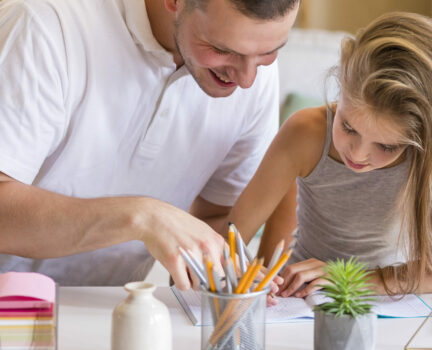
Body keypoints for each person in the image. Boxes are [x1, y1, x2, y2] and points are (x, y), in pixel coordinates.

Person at [0, 0, 300, 288]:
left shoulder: (253, 70)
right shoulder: (43, 26)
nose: (247, 80)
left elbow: (215, 217)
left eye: (269, 53)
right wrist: (142, 216)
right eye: (222, 49)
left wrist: (227, 275)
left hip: (114, 309)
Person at [227, 12, 432, 298]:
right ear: (341, 85)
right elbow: (230, 240)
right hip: (304, 298)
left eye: (386, 146)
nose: (357, 154)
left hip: (394, 300)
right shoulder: (305, 133)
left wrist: (353, 279)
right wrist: (238, 270)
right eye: (348, 126)